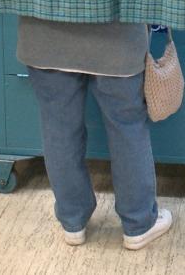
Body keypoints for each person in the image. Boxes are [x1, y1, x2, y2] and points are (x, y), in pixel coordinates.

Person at [17, 17, 173, 248]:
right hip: (118, 37)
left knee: (58, 127)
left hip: (43, 35)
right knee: (127, 127)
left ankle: (72, 221)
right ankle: (138, 222)